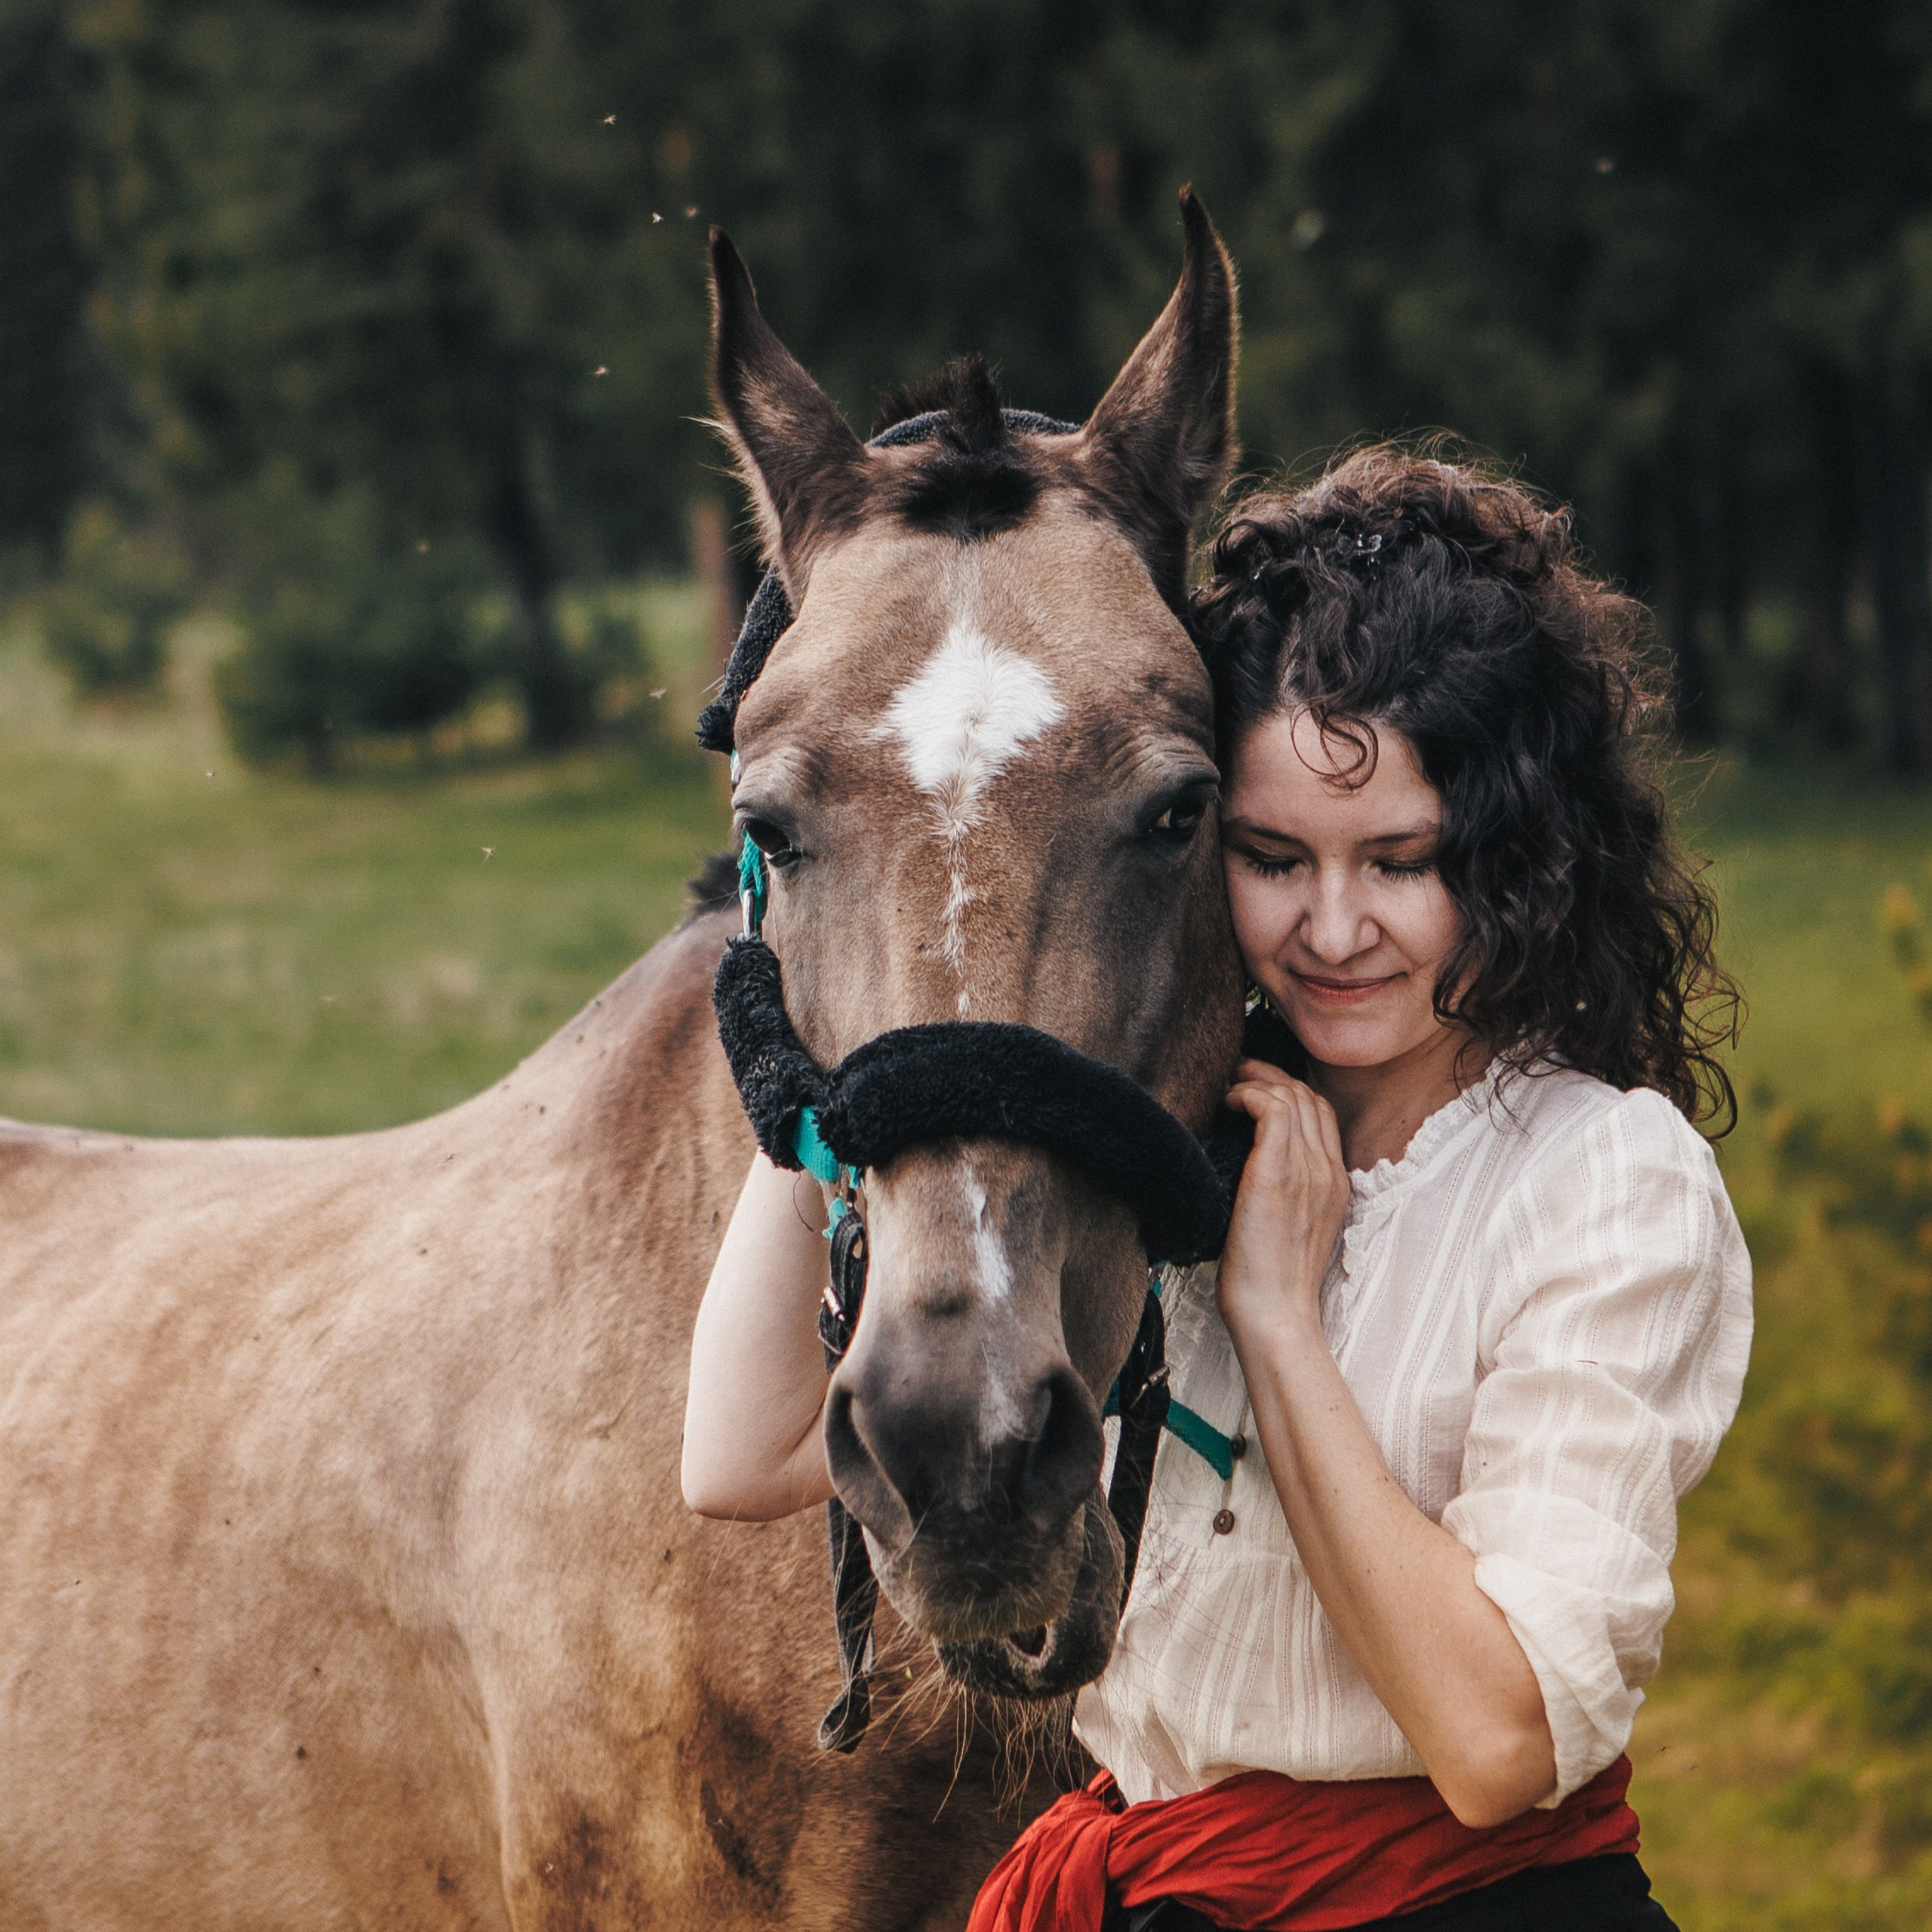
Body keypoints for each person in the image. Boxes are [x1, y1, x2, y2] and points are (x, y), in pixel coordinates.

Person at [684, 446, 1752, 1932]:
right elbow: (736, 1456)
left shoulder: (1600, 1177)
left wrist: (1276, 1321)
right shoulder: (1168, 1140)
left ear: (1517, 860)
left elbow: (1497, 1740)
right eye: (1270, 856)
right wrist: (826, 1063)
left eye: (1401, 860)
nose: (1332, 928)